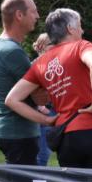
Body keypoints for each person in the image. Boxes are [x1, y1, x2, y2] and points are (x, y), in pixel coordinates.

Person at [5, 8, 92, 170]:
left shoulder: (40, 63)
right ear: (70, 29)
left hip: (65, 136)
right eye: (79, 26)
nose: (82, 30)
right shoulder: (81, 46)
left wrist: (45, 120)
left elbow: (12, 99)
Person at [0, 0, 42, 165]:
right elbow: (40, 94)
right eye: (33, 12)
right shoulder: (12, 51)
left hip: (13, 132)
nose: (37, 16)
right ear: (19, 15)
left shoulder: (3, 46)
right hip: (18, 133)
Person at [32, 33, 55, 166]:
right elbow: (26, 92)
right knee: (42, 155)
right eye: (52, 44)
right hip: (43, 114)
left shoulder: (54, 64)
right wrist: (41, 108)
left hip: (55, 112)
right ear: (42, 46)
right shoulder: (35, 65)